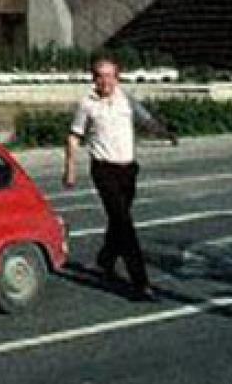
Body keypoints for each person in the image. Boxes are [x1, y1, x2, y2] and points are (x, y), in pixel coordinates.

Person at [61, 55, 175, 300]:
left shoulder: (126, 99)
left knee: (118, 220)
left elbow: (146, 120)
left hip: (128, 169)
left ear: (117, 77)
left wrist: (165, 132)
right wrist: (70, 169)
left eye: (109, 76)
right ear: (93, 79)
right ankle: (140, 283)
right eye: (100, 76)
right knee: (124, 224)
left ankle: (106, 258)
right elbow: (73, 137)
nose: (105, 81)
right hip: (104, 169)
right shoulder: (87, 104)